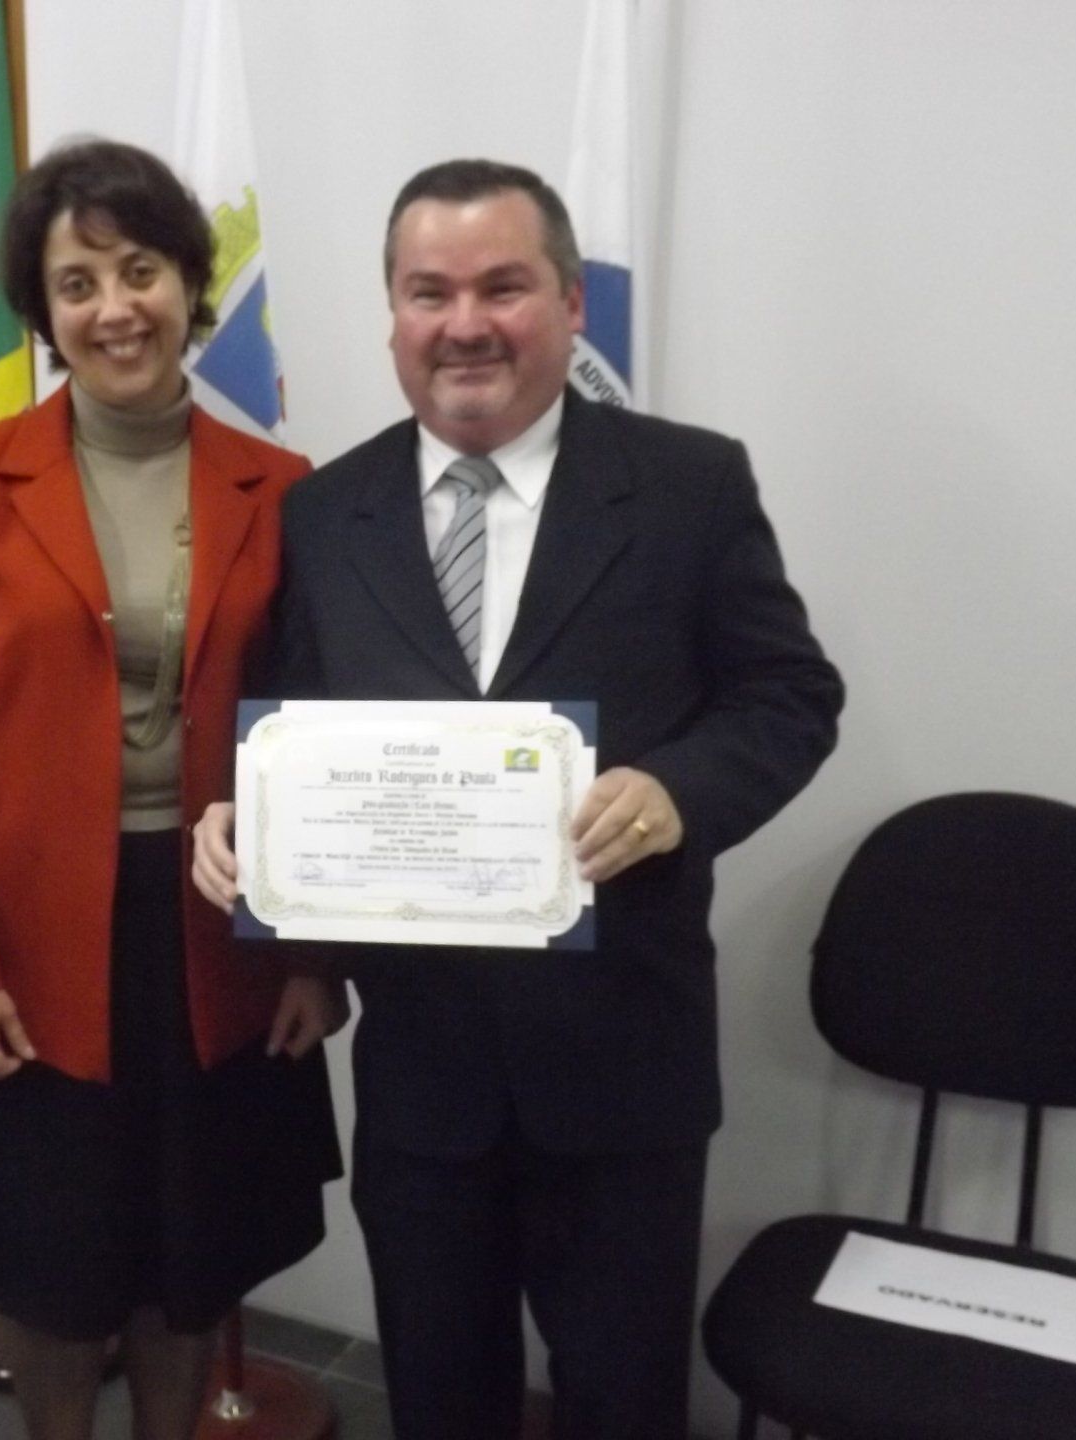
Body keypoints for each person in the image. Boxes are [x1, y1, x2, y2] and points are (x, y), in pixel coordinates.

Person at [193, 159, 844, 1439]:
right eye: (428, 292)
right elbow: (302, 723)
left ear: (571, 303)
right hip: (423, 1073)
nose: (466, 324)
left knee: (622, 1403)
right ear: (392, 314)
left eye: (504, 287)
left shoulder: (691, 486)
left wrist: (678, 789)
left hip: (624, 1068)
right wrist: (249, 824)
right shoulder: (325, 512)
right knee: (440, 1399)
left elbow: (790, 696)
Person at [0, 138, 347, 1440]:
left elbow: (305, 734)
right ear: (44, 314)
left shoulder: (285, 491)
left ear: (190, 284)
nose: (113, 308)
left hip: (212, 930)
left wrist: (309, 953)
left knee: (189, 1253)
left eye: (139, 270)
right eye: (75, 283)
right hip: (26, 941)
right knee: (51, 1261)